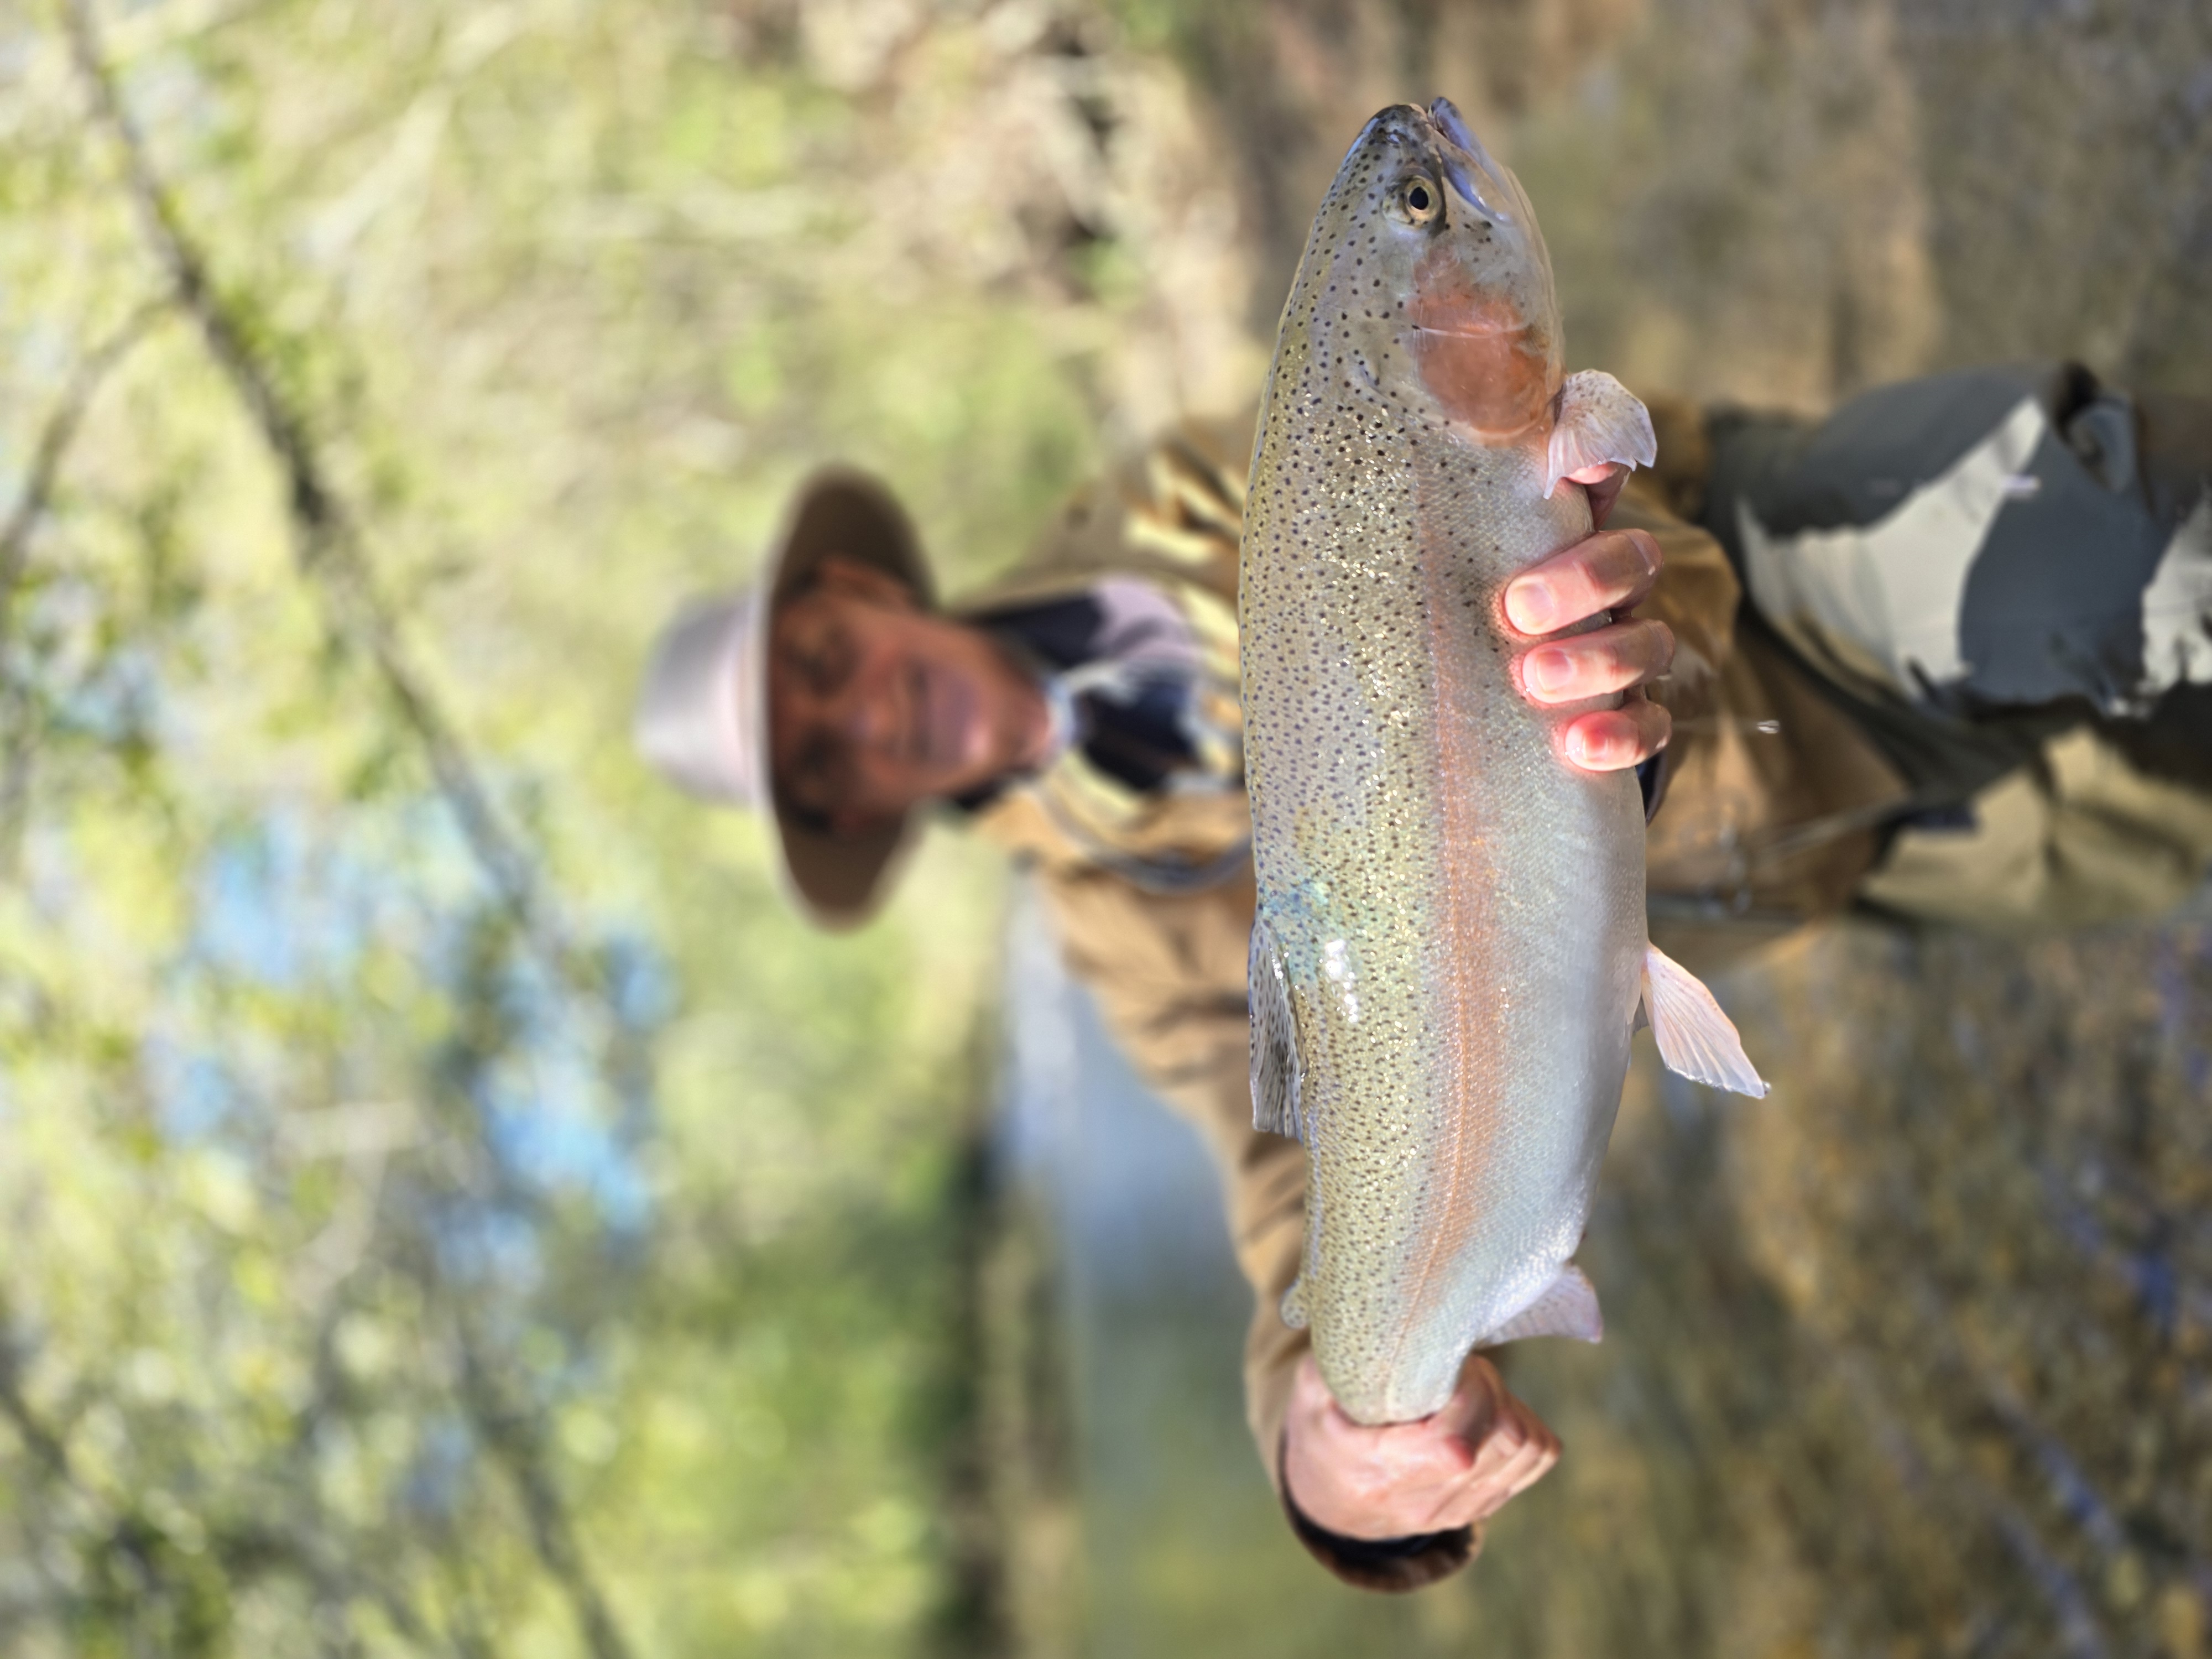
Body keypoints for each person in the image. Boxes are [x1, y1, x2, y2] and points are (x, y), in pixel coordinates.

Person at [635, 363, 2212, 1592]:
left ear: (859, 596)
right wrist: (1322, 1446)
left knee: (2148, 560)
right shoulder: (1116, 936)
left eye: (821, 667)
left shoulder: (1186, 503)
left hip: (1786, 587)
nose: (865, 717)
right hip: (1837, 860)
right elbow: (1293, 1180)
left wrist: (1635, 620)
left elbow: (1527, 476)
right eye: (821, 762)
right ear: (855, 815)